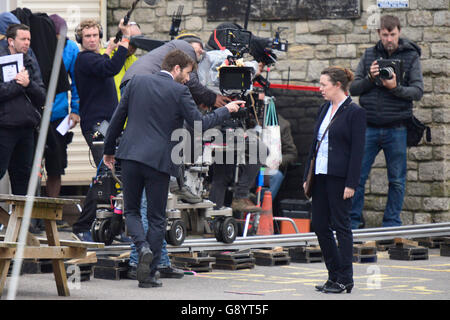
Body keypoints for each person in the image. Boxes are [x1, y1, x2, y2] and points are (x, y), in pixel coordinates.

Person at [103, 49, 242, 288]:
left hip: (130, 157)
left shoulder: (136, 82)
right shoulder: (179, 92)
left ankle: (142, 248)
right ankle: (149, 275)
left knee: (132, 212)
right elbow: (200, 124)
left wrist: (108, 150)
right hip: (159, 162)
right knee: (157, 218)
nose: (189, 79)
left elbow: (117, 118)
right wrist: (225, 110)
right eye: (187, 73)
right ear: (176, 68)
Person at [349, 15, 424, 229]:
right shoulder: (369, 55)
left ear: (399, 32)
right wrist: (371, 79)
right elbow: (353, 89)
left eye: (392, 34)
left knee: (397, 180)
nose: (389, 39)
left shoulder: (411, 56)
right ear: (379, 34)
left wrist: (395, 88)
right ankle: (353, 224)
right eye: (385, 34)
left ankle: (391, 225)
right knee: (357, 177)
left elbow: (418, 92)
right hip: (369, 126)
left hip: (397, 127)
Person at [303, 66, 366, 294]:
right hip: (319, 175)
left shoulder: (354, 112)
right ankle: (333, 275)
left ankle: (345, 278)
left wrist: (352, 183)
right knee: (319, 225)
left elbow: (358, 151)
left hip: (340, 178)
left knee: (342, 226)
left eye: (324, 84)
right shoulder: (324, 109)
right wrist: (306, 177)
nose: (320, 89)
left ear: (337, 85)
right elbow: (314, 145)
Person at [71, 18, 131, 241]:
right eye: (88, 36)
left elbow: (104, 61)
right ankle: (82, 227)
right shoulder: (84, 59)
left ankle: (113, 228)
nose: (92, 39)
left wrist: (109, 49)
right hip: (97, 125)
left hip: (107, 124)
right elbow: (111, 67)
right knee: (104, 174)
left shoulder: (94, 58)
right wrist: (124, 42)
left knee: (115, 174)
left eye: (95, 35)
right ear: (81, 39)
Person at [0, 24, 46, 195]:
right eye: (23, 39)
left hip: (27, 127)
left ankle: (23, 222)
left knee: (23, 178)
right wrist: (18, 85)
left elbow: (42, 95)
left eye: (29, 39)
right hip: (4, 126)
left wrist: (28, 84)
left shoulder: (29, 61)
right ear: (11, 41)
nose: (27, 43)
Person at [44, 14, 80, 202]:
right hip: (37, 115)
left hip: (59, 115)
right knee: (30, 167)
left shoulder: (71, 48)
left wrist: (75, 111)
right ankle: (31, 215)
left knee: (56, 166)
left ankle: (51, 212)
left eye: (63, 40)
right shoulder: (38, 46)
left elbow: (76, 83)